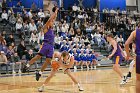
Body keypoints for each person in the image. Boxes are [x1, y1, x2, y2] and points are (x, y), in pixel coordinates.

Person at [23, 8, 59, 81]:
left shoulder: (51, 28)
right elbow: (50, 20)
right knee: (38, 57)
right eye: (51, 21)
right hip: (45, 44)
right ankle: (27, 65)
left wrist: (56, 12)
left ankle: (39, 73)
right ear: (48, 22)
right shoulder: (45, 27)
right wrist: (54, 12)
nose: (53, 22)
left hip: (51, 46)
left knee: (48, 60)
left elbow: (53, 18)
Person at [125, 23, 140, 93]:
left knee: (138, 80)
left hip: (139, 57)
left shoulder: (134, 32)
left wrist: (128, 55)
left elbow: (126, 44)